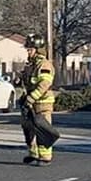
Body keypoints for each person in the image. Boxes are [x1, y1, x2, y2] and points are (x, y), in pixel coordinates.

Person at [19, 33, 56, 165]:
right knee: (28, 128)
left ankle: (45, 156)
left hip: (42, 103)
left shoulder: (44, 65)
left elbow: (44, 85)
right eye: (27, 49)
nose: (28, 52)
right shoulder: (31, 65)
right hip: (30, 104)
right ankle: (33, 154)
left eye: (30, 49)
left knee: (42, 129)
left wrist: (31, 98)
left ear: (38, 49)